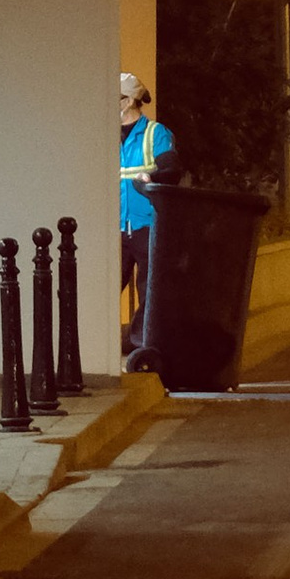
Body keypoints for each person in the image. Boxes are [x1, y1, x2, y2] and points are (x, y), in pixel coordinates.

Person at [118, 70, 171, 366]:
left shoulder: (155, 133)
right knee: (104, 285)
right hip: (116, 225)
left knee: (148, 290)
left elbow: (172, 169)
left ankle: (140, 347)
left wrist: (151, 177)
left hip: (147, 224)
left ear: (128, 101)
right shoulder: (107, 134)